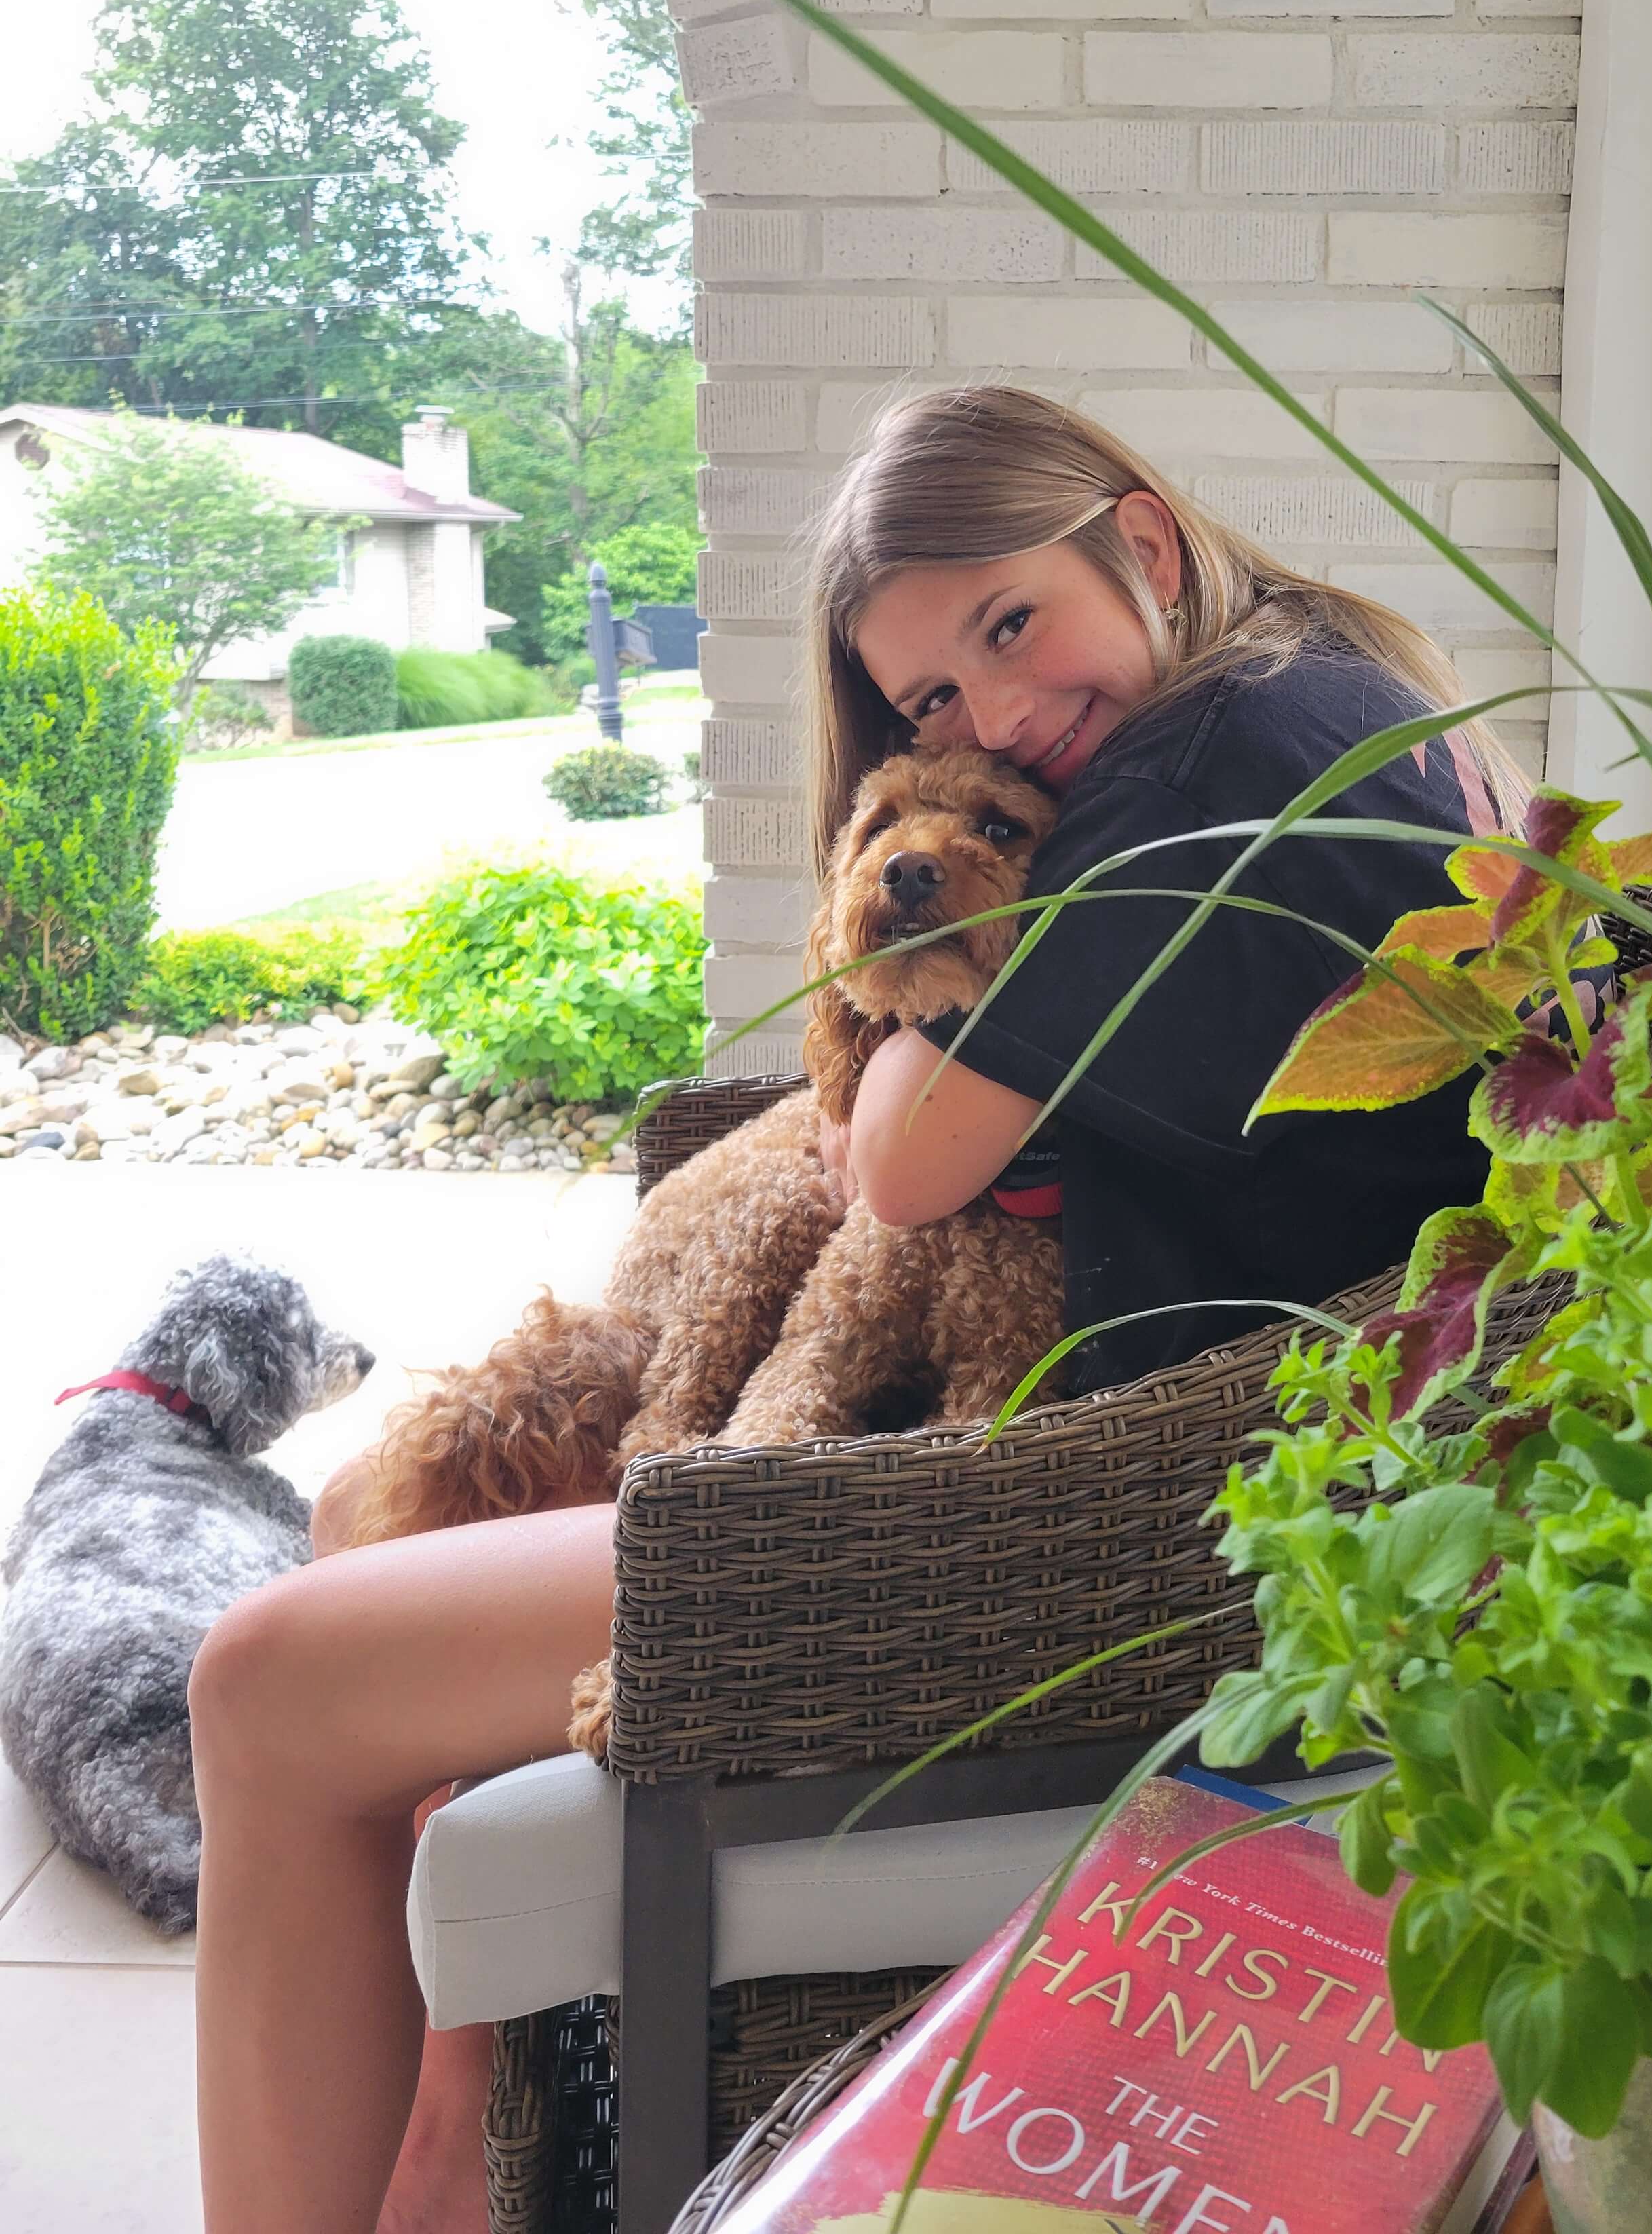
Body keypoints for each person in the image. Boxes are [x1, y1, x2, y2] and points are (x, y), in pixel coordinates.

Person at [186, 383, 1524, 2234]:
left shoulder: (1202, 776)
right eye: (932, 708)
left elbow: (890, 1152)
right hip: (1086, 1437)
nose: (997, 718)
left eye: (1007, 625)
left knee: (260, 1683)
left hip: (1100, 1523)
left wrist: (894, 1069)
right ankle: (449, 2120)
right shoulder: (1302, 686)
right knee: (360, 1513)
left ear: (1140, 543)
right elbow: (861, 1078)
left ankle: (411, 2168)